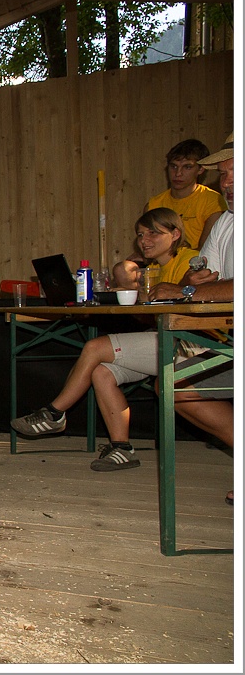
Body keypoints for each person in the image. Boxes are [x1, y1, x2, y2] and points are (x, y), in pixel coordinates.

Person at [11, 208, 199, 472]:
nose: (145, 240)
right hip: (162, 337)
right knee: (101, 372)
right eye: (140, 235)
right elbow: (149, 314)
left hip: (190, 344)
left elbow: (192, 299)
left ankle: (54, 413)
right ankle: (122, 448)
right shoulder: (154, 270)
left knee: (95, 347)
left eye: (153, 233)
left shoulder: (192, 261)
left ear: (175, 234)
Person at [150, 132, 234, 505]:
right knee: (173, 386)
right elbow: (199, 278)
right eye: (223, 174)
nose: (226, 182)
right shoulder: (226, 222)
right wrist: (188, 284)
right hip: (229, 338)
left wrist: (186, 292)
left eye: (234, 172)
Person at [143, 138, 226, 249]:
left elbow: (207, 250)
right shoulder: (153, 205)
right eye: (174, 166)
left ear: (201, 169)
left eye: (187, 167)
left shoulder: (214, 202)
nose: (178, 173)